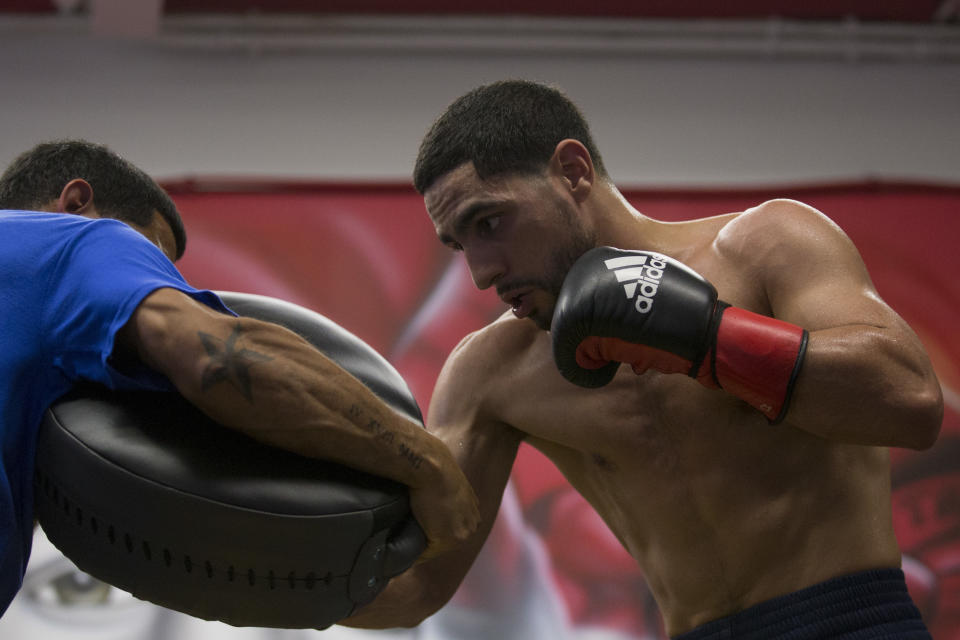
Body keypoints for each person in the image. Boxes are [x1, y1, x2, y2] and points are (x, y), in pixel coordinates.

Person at [341, 80, 944, 638]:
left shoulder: (766, 247)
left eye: (490, 221)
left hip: (853, 620)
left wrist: (710, 339)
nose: (482, 272)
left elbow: (911, 402)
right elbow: (419, 584)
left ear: (572, 171)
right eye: (459, 243)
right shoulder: (490, 371)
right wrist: (276, 577)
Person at [0, 140, 479, 617]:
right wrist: (430, 464)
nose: (147, 280)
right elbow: (218, 360)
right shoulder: (77, 241)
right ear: (76, 203)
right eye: (150, 261)